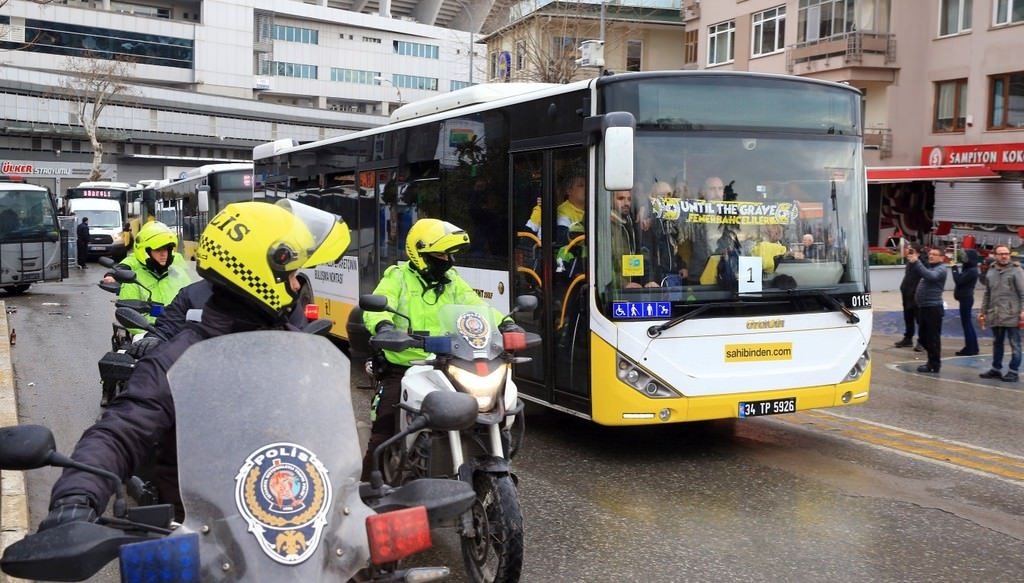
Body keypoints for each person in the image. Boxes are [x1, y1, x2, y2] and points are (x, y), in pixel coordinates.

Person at [40, 200, 351, 527]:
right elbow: (119, 432)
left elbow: (328, 429)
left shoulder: (294, 347)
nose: (297, 286)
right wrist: (75, 499)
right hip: (198, 528)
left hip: (288, 514)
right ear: (259, 276)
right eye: (291, 275)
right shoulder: (178, 361)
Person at [361, 218, 521, 479]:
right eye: (440, 254)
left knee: (494, 407)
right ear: (420, 253)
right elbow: (377, 307)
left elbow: (478, 307)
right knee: (386, 427)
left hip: (446, 364)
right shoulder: (398, 277)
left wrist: (507, 324)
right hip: (404, 366)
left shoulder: (452, 281)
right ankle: (366, 494)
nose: (447, 260)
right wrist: (384, 328)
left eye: (449, 254)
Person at [102, 221, 194, 334]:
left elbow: (194, 300)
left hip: (179, 333)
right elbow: (130, 318)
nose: (163, 254)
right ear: (146, 251)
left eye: (166, 249)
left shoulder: (180, 273)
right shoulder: (134, 279)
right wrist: (113, 273)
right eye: (158, 249)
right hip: (149, 333)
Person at [978, 244, 1024, 382]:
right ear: (995, 255)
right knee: (997, 342)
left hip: (1011, 313)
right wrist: (983, 311)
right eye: (1001, 253)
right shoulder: (991, 271)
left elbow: (1023, 293)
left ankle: (1013, 371)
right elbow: (987, 293)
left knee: (1015, 343)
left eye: (1006, 253)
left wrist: (1023, 310)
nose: (1004, 256)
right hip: (995, 314)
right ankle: (996, 369)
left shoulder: (1016, 271)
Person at [906, 246, 948, 373]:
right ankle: (931, 361)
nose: (931, 256)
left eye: (935, 254)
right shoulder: (931, 267)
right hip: (924, 307)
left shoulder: (941, 269)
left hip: (933, 308)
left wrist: (917, 262)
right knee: (924, 337)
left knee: (933, 337)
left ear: (942, 257)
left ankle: (934, 364)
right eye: (930, 254)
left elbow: (931, 277)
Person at [641, 180, 686, 286]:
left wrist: (681, 265)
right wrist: (649, 279)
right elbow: (646, 252)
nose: (667, 199)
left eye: (669, 195)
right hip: (656, 280)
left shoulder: (673, 221)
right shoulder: (649, 221)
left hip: (673, 276)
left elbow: (676, 248)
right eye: (662, 195)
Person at [610, 189, 655, 289]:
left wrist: (649, 281)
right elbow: (602, 265)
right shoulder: (605, 226)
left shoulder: (632, 223)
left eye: (629, 199)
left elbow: (643, 255)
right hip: (615, 292)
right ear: (610, 200)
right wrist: (622, 284)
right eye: (620, 198)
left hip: (635, 288)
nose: (626, 203)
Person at [894, 244, 923, 350]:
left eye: (912, 250)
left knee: (919, 319)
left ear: (918, 253)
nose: (909, 252)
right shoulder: (910, 263)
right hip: (907, 294)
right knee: (908, 317)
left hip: (916, 295)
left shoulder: (921, 264)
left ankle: (922, 341)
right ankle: (908, 338)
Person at [952, 249, 980, 356]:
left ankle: (971, 347)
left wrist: (954, 269)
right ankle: (972, 346)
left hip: (966, 298)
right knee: (967, 323)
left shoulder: (972, 271)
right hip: (965, 298)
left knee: (967, 323)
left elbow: (959, 281)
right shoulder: (968, 268)